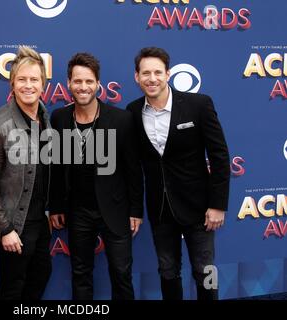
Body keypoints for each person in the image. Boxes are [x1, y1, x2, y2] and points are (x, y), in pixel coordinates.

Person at [126, 47, 230, 300]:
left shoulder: (199, 104)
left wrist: (218, 205)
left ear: (168, 74)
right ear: (136, 77)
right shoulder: (132, 111)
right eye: (146, 73)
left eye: (158, 72)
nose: (152, 78)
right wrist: (135, 210)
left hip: (199, 207)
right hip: (160, 209)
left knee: (206, 270)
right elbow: (133, 167)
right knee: (168, 271)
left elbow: (219, 156)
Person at [49, 52, 143, 300]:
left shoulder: (121, 119)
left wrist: (135, 210)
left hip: (116, 208)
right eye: (77, 81)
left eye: (89, 81)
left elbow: (133, 169)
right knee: (80, 273)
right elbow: (57, 168)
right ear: (69, 84)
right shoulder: (59, 118)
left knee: (121, 273)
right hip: (78, 210)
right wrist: (57, 205)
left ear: (98, 84)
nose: (83, 87)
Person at [0, 46, 52, 300]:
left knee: (40, 277)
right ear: (12, 84)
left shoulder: (44, 116)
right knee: (12, 288)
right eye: (22, 79)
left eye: (34, 79)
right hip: (15, 225)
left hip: (40, 222)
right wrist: (5, 228)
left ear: (43, 84)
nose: (28, 85)